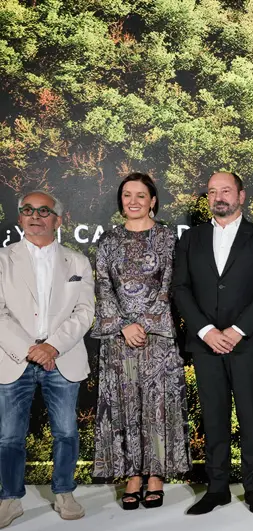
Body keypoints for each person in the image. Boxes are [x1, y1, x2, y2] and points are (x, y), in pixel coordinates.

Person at [173, 172, 253, 515]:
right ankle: (216, 488)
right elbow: (180, 288)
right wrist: (206, 330)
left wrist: (237, 330)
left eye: (226, 190)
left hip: (247, 343)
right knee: (214, 417)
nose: (219, 197)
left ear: (241, 196)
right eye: (212, 191)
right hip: (205, 344)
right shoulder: (191, 239)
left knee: (251, 417)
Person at [92, 173, 190, 510]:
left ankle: (156, 475)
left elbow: (171, 287)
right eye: (127, 195)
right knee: (125, 406)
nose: (133, 201)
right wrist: (123, 326)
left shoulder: (168, 238)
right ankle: (132, 475)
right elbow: (102, 287)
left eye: (140, 195)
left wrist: (144, 325)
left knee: (157, 407)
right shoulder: (108, 241)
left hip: (157, 338)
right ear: (121, 200)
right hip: (119, 340)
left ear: (153, 201)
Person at [0, 191, 94, 529]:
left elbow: (84, 312)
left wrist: (52, 347)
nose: (35, 216)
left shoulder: (77, 262)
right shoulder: (2, 259)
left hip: (62, 358)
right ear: (20, 218)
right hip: (14, 358)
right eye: (28, 210)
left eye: (43, 211)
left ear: (57, 219)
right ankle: (10, 499)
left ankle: (64, 492)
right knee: (9, 436)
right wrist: (31, 349)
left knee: (66, 431)